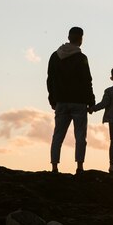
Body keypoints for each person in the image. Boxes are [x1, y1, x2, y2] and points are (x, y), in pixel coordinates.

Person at [47, 26, 95, 174]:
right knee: (80, 136)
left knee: (58, 135)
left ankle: (54, 167)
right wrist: (91, 100)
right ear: (80, 39)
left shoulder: (55, 56)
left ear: (68, 37)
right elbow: (87, 81)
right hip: (79, 101)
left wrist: (52, 98)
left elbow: (50, 79)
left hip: (61, 100)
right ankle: (79, 167)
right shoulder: (81, 58)